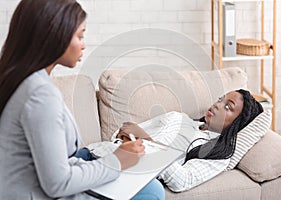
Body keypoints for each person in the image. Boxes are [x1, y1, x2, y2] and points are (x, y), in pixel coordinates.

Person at [0, 0, 164, 199]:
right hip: (39, 193)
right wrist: (118, 160)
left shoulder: (23, 80)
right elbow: (57, 183)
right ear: (54, 35)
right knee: (151, 192)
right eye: (80, 35)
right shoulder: (39, 95)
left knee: (149, 188)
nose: (84, 45)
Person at [114, 89, 264, 192]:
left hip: (130, 175)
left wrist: (146, 140)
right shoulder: (177, 117)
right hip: (107, 153)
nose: (217, 105)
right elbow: (125, 130)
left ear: (236, 124)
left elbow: (182, 181)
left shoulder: (216, 152)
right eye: (220, 99)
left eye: (227, 107)